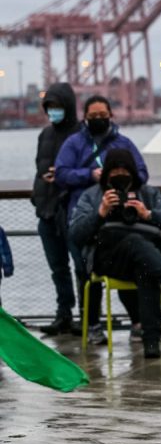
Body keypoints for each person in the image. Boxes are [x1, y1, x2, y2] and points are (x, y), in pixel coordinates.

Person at [68, 149, 161, 358]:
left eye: (124, 170)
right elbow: (76, 234)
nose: (120, 175)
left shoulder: (148, 193)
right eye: (114, 171)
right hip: (108, 258)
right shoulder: (93, 195)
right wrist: (101, 212)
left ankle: (151, 342)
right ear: (107, 174)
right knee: (134, 241)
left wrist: (148, 214)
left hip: (144, 259)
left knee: (146, 269)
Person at [32, 82, 82, 336]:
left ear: (69, 107)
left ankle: (87, 317)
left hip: (72, 211)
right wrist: (38, 199)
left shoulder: (81, 134)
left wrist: (63, 178)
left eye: (58, 106)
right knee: (58, 267)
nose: (53, 111)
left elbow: (91, 171)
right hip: (47, 212)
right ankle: (64, 313)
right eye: (49, 107)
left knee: (81, 266)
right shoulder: (45, 135)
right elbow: (38, 169)